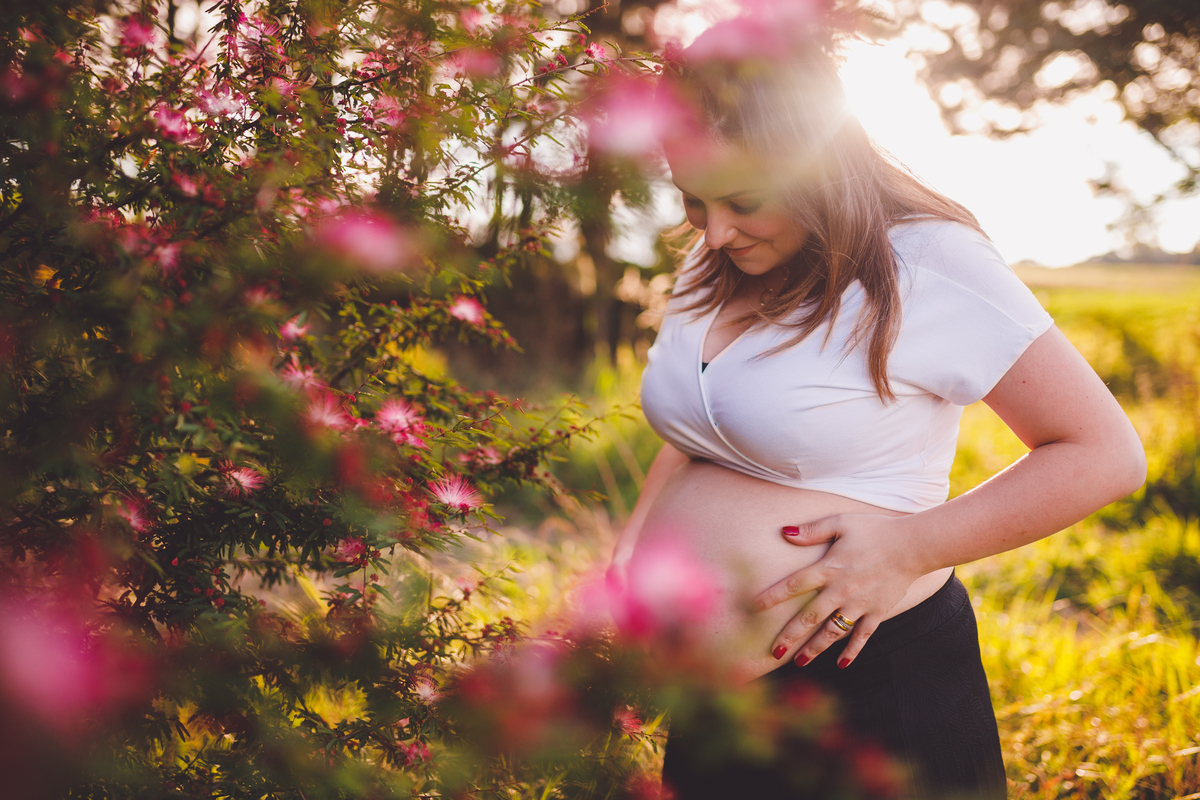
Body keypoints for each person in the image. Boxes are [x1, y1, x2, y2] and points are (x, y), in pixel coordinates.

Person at [605, 18, 1147, 800]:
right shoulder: (715, 262)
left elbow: (1103, 453)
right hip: (720, 706)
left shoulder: (928, 262)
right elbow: (698, 437)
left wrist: (907, 549)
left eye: (744, 201)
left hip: (872, 682)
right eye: (692, 199)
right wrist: (629, 568)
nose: (715, 231)